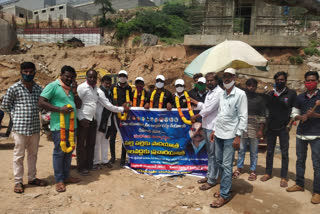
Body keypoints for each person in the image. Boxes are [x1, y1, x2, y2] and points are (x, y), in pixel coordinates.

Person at [2, 62, 47, 194]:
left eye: (31, 72)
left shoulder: (39, 89)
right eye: (25, 72)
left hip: (34, 128)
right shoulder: (14, 88)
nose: (28, 74)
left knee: (33, 155)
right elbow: (5, 106)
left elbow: (42, 106)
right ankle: (18, 181)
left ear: (34, 72)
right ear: (21, 72)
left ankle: (32, 178)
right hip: (19, 129)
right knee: (18, 155)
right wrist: (15, 116)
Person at [38, 65, 81, 192]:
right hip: (59, 126)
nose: (69, 79)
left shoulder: (72, 88)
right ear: (61, 74)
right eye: (67, 76)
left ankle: (66, 176)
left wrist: (75, 92)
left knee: (69, 151)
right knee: (59, 152)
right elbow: (41, 102)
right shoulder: (53, 86)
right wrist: (59, 109)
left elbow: (78, 105)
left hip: (73, 126)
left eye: (71, 77)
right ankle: (59, 180)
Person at [209, 68, 248, 208]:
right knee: (219, 161)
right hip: (219, 133)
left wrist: (238, 136)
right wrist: (214, 129)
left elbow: (243, 117)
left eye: (229, 76)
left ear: (234, 77)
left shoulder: (240, 94)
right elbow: (219, 114)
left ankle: (224, 195)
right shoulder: (222, 94)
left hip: (231, 135)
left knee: (226, 165)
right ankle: (226, 186)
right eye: (224, 76)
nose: (226, 79)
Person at [287, 71, 320, 204]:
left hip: (317, 134)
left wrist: (315, 115)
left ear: (317, 81)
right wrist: (300, 117)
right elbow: (294, 112)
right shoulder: (300, 97)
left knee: (317, 165)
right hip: (301, 133)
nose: (310, 83)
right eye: (307, 81)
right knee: (300, 160)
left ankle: (317, 191)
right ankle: (299, 184)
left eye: (312, 80)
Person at [260, 72, 297, 188]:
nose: (280, 81)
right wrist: (264, 127)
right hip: (271, 128)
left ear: (285, 81)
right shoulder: (270, 94)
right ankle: (268, 172)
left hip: (283, 128)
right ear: (275, 80)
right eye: (278, 80)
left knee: (284, 153)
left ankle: (284, 176)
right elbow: (266, 111)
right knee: (269, 151)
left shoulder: (291, 94)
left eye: (282, 80)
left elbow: (294, 110)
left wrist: (289, 125)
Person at [190, 72, 224, 191]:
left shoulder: (219, 92)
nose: (209, 82)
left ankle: (212, 180)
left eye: (211, 80)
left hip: (213, 127)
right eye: (208, 81)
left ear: (216, 81)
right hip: (206, 125)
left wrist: (196, 116)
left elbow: (210, 109)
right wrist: (197, 103)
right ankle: (209, 175)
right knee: (210, 153)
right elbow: (205, 106)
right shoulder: (210, 92)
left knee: (214, 154)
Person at [232, 78, 266, 181]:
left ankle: (253, 170)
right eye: (249, 85)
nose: (251, 87)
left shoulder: (259, 99)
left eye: (253, 86)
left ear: (256, 87)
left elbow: (262, 116)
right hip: (242, 126)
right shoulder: (242, 97)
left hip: (254, 127)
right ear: (246, 86)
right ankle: (239, 168)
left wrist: (260, 130)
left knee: (254, 151)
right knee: (241, 149)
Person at [93, 74, 128, 170]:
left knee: (105, 140)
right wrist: (122, 109)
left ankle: (104, 161)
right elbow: (109, 106)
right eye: (106, 83)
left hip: (107, 119)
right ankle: (96, 162)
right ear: (102, 83)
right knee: (97, 141)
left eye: (109, 84)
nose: (108, 85)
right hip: (100, 119)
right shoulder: (100, 92)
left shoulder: (108, 92)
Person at [110, 70, 133, 167]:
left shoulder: (129, 88)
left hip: (125, 116)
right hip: (114, 115)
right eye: (120, 76)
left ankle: (123, 159)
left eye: (124, 76)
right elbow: (109, 99)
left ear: (127, 78)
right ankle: (112, 157)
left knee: (124, 137)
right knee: (112, 137)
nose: (122, 77)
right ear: (118, 77)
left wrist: (127, 104)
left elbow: (131, 101)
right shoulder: (113, 87)